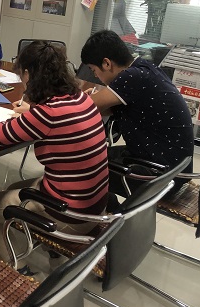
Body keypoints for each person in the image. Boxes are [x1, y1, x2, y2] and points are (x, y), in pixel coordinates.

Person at [0, 41, 109, 273]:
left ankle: (19, 269)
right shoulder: (81, 98)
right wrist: (31, 112)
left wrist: (20, 116)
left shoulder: (47, 114)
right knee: (14, 188)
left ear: (28, 74)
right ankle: (50, 248)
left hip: (72, 217)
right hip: (96, 206)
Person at [80, 30, 194, 195]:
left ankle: (104, 210)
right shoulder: (144, 68)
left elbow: (84, 108)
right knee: (91, 155)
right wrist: (94, 99)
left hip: (161, 176)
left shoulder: (131, 77)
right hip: (173, 167)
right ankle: (108, 206)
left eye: (93, 70)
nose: (96, 76)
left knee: (81, 166)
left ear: (106, 64)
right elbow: (107, 108)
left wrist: (86, 99)